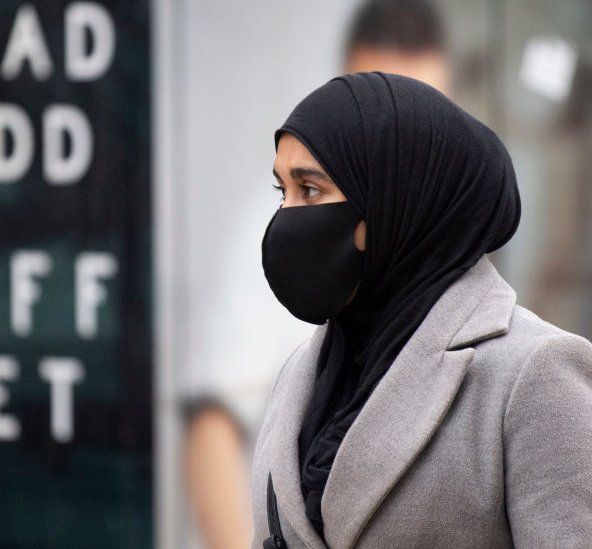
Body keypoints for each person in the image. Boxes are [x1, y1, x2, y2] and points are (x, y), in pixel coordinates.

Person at [252, 72, 592, 548]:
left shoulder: (534, 373)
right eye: (281, 191)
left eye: (310, 190)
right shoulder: (302, 375)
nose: (287, 216)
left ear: (394, 197)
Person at [184, 3, 451, 548]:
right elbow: (211, 426)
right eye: (377, 114)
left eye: (420, 118)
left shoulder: (466, 237)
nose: (397, 149)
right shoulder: (294, 229)